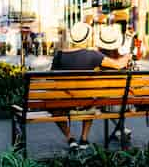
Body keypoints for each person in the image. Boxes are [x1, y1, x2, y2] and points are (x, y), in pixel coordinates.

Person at [51, 21, 131, 150]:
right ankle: (84, 139)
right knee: (90, 98)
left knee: (55, 109)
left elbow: (52, 78)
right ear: (88, 38)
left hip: (64, 103)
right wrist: (128, 55)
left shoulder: (59, 55)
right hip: (86, 103)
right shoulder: (93, 55)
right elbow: (118, 65)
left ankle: (70, 138)